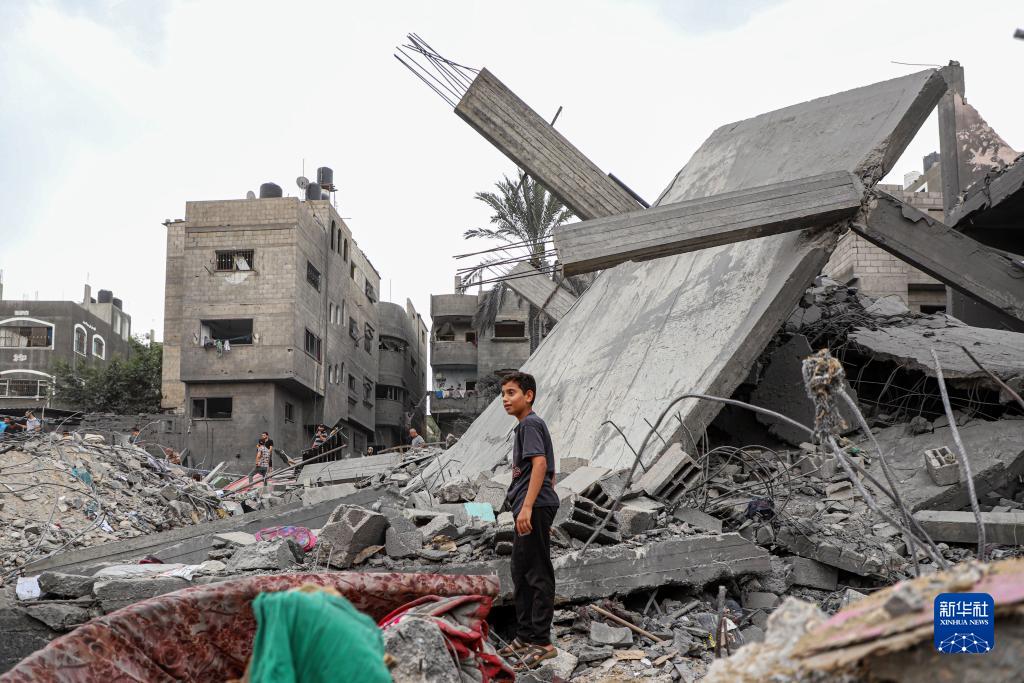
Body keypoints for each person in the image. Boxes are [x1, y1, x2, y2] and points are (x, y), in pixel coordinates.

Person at [498, 371, 559, 670]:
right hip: (532, 506)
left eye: (511, 393)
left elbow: (541, 464)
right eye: (503, 394)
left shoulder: (530, 424)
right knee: (520, 570)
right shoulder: (526, 426)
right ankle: (524, 635)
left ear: (529, 395)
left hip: (531, 508)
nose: (505, 399)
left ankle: (542, 642)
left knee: (537, 572)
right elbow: (551, 473)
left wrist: (528, 506)